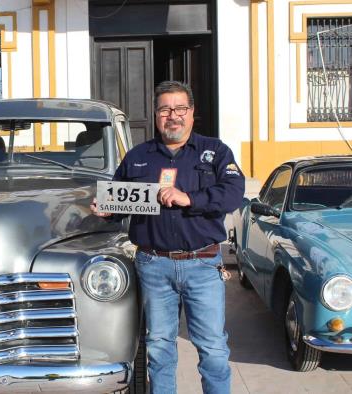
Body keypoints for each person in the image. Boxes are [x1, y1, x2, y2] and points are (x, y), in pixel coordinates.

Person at [91, 81, 245, 393]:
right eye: (164, 109)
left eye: (179, 109)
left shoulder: (215, 152)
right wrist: (107, 209)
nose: (172, 115)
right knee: (159, 349)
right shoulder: (137, 157)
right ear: (156, 114)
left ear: (192, 113)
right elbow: (120, 202)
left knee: (213, 349)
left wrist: (190, 198)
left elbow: (233, 194)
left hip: (203, 265)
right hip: (153, 265)